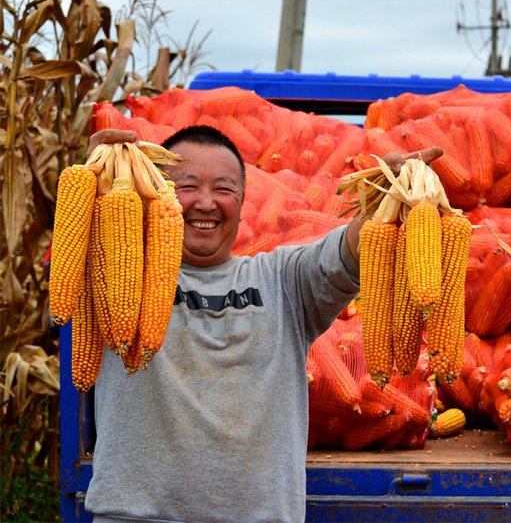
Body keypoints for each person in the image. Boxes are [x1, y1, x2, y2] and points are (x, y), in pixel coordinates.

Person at [82, 126, 442, 523]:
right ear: (154, 190)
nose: (205, 203)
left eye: (223, 189)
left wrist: (384, 198)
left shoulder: (283, 279)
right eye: (186, 186)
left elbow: (347, 251)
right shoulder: (118, 277)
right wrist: (99, 187)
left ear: (241, 200)